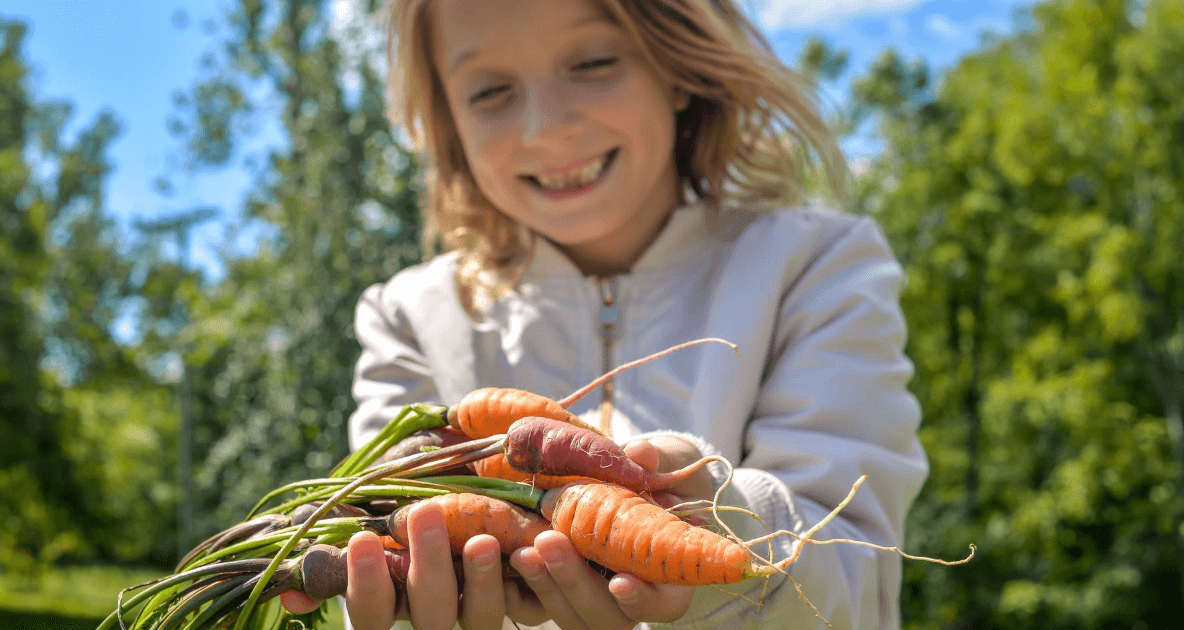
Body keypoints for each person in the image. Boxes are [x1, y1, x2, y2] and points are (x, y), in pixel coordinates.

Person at [282, 0, 927, 628]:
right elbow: (382, 536)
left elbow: (854, 581)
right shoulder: (408, 317)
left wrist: (702, 518)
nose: (547, 128)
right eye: (489, 92)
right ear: (448, 119)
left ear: (677, 66)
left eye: (592, 62)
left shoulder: (817, 266)